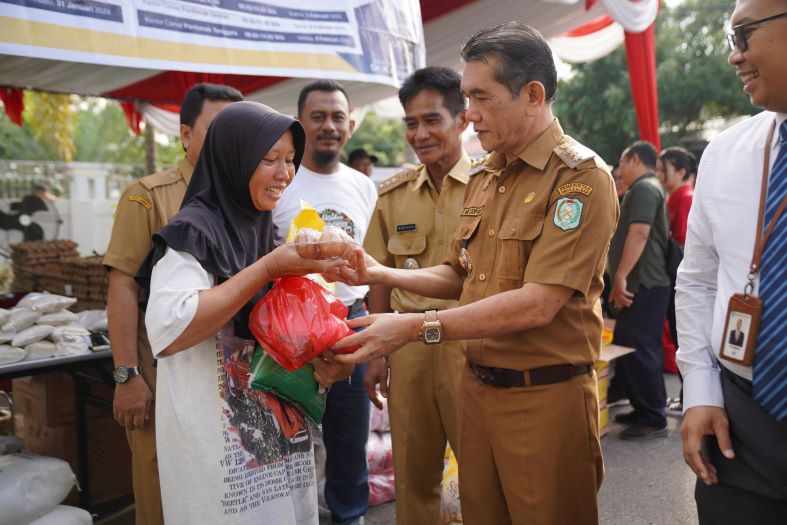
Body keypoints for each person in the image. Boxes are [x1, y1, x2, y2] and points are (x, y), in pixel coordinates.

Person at [330, 22, 618, 524]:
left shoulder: (579, 179)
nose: (471, 115)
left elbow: (537, 302)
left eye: (480, 98)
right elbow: (458, 274)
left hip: (543, 398)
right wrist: (385, 274)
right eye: (466, 98)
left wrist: (416, 327)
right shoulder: (489, 176)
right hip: (478, 390)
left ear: (532, 95)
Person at [136, 101, 353, 524]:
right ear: (233, 159)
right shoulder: (192, 234)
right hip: (220, 458)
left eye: (290, 160)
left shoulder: (263, 230)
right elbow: (171, 328)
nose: (284, 173)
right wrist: (270, 269)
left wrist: (331, 356)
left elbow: (280, 334)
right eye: (269, 159)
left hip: (273, 448)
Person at [103, 82, 243, 525]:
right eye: (216, 129)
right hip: (161, 369)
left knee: (220, 487)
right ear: (185, 135)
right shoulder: (149, 195)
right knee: (161, 484)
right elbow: (123, 286)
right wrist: (127, 375)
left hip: (227, 374)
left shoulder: (247, 194)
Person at [677, 1, 787, 520]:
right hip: (740, 427)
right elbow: (697, 282)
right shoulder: (725, 154)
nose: (733, 56)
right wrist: (700, 390)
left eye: (743, 34)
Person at [362, 66, 480, 525]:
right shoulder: (391, 196)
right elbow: (378, 277)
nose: (420, 133)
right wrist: (376, 352)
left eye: (432, 120)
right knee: (413, 474)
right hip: (408, 349)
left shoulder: (491, 186)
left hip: (471, 343)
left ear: (462, 119)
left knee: (481, 470)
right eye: (411, 123)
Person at [272, 80, 377, 525]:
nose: (329, 126)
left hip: (350, 321)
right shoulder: (281, 179)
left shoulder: (365, 187)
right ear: (301, 124)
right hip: (291, 323)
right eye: (318, 117)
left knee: (349, 438)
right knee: (284, 436)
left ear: (349, 125)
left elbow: (373, 265)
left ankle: (349, 516)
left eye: (337, 117)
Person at [608, 141, 671, 440]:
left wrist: (620, 275)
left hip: (645, 281)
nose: (620, 171)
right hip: (644, 282)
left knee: (640, 348)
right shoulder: (646, 187)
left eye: (622, 163)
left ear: (634, 159)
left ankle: (653, 416)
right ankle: (646, 406)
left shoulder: (645, 188)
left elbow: (640, 232)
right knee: (633, 345)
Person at [657, 146, 697, 412]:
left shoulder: (684, 197)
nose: (659, 175)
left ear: (681, 171)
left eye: (664, 170)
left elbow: (682, 241)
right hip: (676, 277)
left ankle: (689, 399)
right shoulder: (675, 197)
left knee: (686, 338)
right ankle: (686, 397)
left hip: (680, 279)